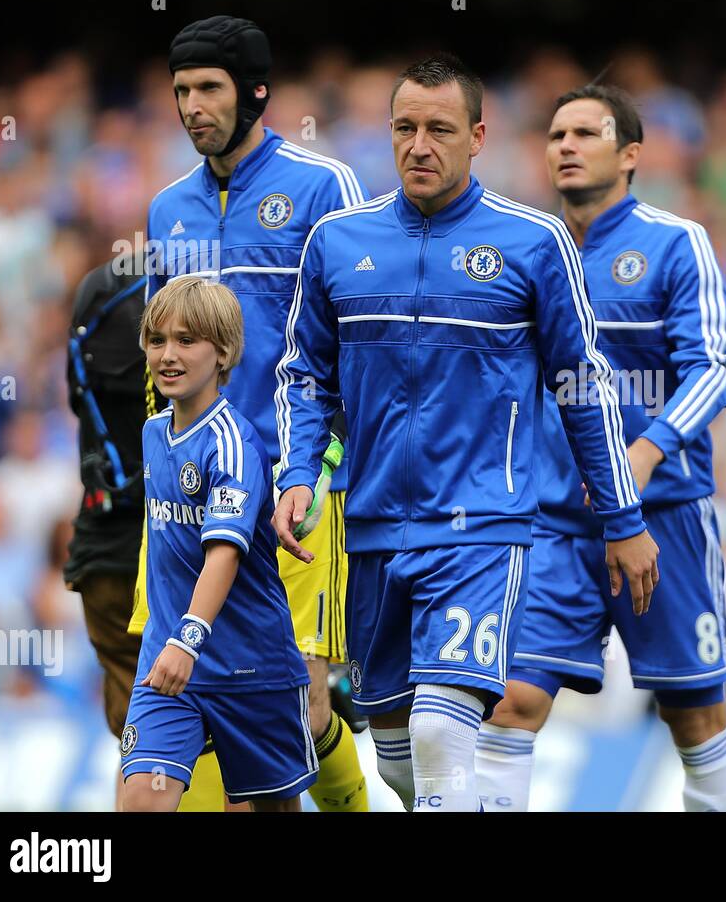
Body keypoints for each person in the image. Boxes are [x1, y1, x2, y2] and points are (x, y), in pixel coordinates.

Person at [272, 54, 658, 812]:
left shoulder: (532, 243)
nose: (420, 145)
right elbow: (303, 376)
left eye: (440, 129)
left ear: (477, 136)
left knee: (440, 733)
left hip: (482, 525)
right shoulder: (336, 242)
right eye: (405, 128)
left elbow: (584, 387)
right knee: (399, 760)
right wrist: (296, 474)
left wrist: (621, 518)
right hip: (372, 527)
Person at [473, 84, 726, 812]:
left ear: (630, 155)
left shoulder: (674, 242)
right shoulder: (527, 250)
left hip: (663, 515)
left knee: (694, 720)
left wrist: (648, 452)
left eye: (584, 134)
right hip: (555, 523)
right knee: (509, 702)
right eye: (555, 134)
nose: (564, 145)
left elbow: (712, 368)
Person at [137, 15, 368, 811]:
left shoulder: (322, 187)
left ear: (256, 92)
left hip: (293, 492)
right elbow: (155, 360)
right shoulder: (167, 208)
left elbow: (355, 351)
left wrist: (323, 471)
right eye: (181, 91)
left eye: (209, 88)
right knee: (188, 697)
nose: (192, 106)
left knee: (302, 707)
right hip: (193, 497)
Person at [121, 275, 315, 812]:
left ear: (224, 351)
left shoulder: (234, 444)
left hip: (250, 668)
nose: (168, 354)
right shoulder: (153, 433)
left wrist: (189, 639)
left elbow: (224, 553)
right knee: (141, 801)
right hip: (169, 662)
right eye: (157, 340)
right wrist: (172, 641)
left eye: (187, 340)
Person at [64, 261, 151, 810]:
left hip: (100, 553)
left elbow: (77, 396)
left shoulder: (91, 308)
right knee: (219, 721)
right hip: (174, 554)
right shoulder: (195, 369)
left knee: (138, 734)